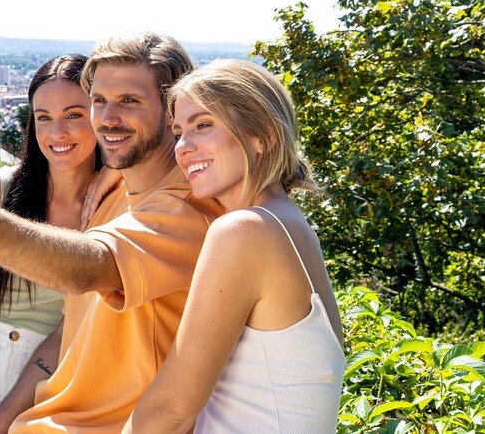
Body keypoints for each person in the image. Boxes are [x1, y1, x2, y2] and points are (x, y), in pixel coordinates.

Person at [0, 32, 224, 433]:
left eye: (129, 100)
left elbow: (91, 268)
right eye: (99, 101)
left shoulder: (184, 206)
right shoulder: (113, 197)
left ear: (171, 112)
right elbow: (54, 329)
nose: (108, 118)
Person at [124, 59, 344, 433]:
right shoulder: (287, 224)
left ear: (264, 136)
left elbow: (172, 410)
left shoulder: (245, 231)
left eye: (203, 125)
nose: (183, 147)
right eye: (179, 131)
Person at [0, 55, 103, 433]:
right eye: (43, 117)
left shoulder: (113, 205)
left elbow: (73, 326)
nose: (57, 132)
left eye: (74, 115)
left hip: (64, 380)